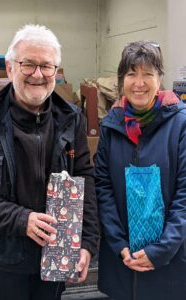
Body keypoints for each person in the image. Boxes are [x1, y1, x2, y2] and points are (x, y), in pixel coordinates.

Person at [0, 24, 99, 300]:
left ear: (56, 72)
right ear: (10, 69)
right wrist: (20, 219)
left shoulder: (71, 118)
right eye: (28, 64)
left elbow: (85, 177)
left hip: (55, 255)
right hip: (2, 258)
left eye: (47, 66)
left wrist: (87, 242)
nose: (38, 75)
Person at [95, 40, 186, 300]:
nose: (139, 83)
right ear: (122, 79)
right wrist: (119, 244)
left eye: (148, 74)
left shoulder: (180, 125)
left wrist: (160, 251)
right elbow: (103, 187)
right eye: (132, 74)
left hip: (169, 264)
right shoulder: (111, 126)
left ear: (159, 78)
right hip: (121, 261)